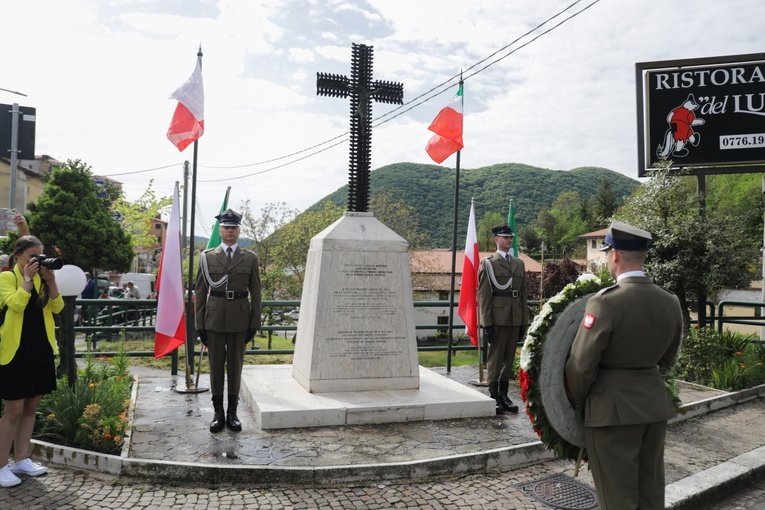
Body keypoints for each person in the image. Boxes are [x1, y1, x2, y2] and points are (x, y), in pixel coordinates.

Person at [565, 220, 683, 510]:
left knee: (617, 498)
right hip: (653, 405)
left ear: (615, 254)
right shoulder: (670, 301)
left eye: (606, 252)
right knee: (650, 494)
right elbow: (667, 359)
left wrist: (576, 403)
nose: (606, 258)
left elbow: (581, 366)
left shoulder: (605, 302)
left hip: (611, 413)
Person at [0, 236, 64, 488]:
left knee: (30, 408)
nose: (36, 263)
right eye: (31, 258)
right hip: (14, 352)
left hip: (40, 350)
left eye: (39, 257)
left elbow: (58, 308)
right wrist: (27, 278)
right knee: (13, 411)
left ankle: (21, 459)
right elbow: (15, 305)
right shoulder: (6, 278)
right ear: (17, 256)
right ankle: (1, 465)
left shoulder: (42, 280)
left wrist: (52, 281)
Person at [195, 208, 261, 433]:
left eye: (233, 228)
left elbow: (257, 293)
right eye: (226, 227)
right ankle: (217, 413)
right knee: (215, 367)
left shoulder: (250, 258)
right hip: (213, 319)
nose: (230, 231)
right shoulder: (207, 257)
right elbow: (201, 293)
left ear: (239, 230)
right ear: (220, 230)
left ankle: (232, 413)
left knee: (235, 366)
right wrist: (199, 324)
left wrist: (254, 323)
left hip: (240, 319)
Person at [477, 223, 528, 415]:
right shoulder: (489, 263)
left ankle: (504, 394)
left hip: (515, 316)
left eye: (510, 237)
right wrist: (487, 323)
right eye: (505, 237)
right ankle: (493, 394)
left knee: (508, 356)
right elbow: (484, 296)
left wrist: (524, 321)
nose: (509, 239)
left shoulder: (519, 263)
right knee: (496, 357)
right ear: (496, 239)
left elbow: (523, 295)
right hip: (498, 317)